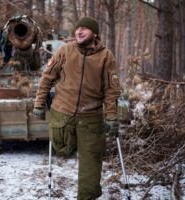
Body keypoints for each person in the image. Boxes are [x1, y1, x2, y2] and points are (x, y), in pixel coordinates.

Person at [33, 17, 121, 200]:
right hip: (62, 116)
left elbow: (111, 90)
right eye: (77, 28)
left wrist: (111, 116)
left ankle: (87, 196)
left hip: (91, 118)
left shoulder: (106, 56)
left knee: (91, 164)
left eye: (84, 29)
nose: (79, 32)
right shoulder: (65, 50)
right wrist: (39, 103)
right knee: (63, 151)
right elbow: (47, 78)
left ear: (94, 33)